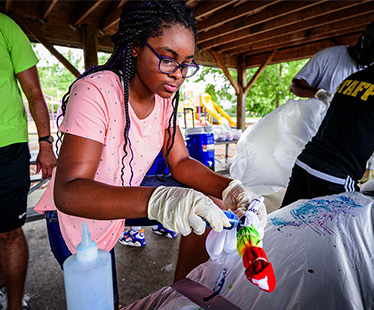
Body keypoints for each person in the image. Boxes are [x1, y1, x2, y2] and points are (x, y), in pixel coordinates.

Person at [34, 0, 266, 306]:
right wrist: (158, 200)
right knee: (102, 299)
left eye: (186, 64)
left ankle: (182, 297)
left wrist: (231, 188)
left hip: (118, 201)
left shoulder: (164, 100)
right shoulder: (95, 91)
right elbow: (69, 192)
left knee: (213, 203)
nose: (178, 75)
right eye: (168, 60)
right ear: (134, 47)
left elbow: (181, 162)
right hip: (76, 219)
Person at [281, 20, 374, 208]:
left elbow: (352, 126)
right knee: (340, 236)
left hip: (305, 163)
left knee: (283, 228)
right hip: (334, 176)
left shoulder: (354, 78)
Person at [0, 13, 56, 310]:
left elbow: (34, 93)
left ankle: (13, 304)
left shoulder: (5, 27)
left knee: (7, 232)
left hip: (7, 148)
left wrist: (45, 142)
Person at [289, 19, 374, 106]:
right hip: (318, 127)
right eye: (370, 47)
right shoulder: (329, 56)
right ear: (362, 39)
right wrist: (319, 93)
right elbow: (295, 86)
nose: (371, 54)